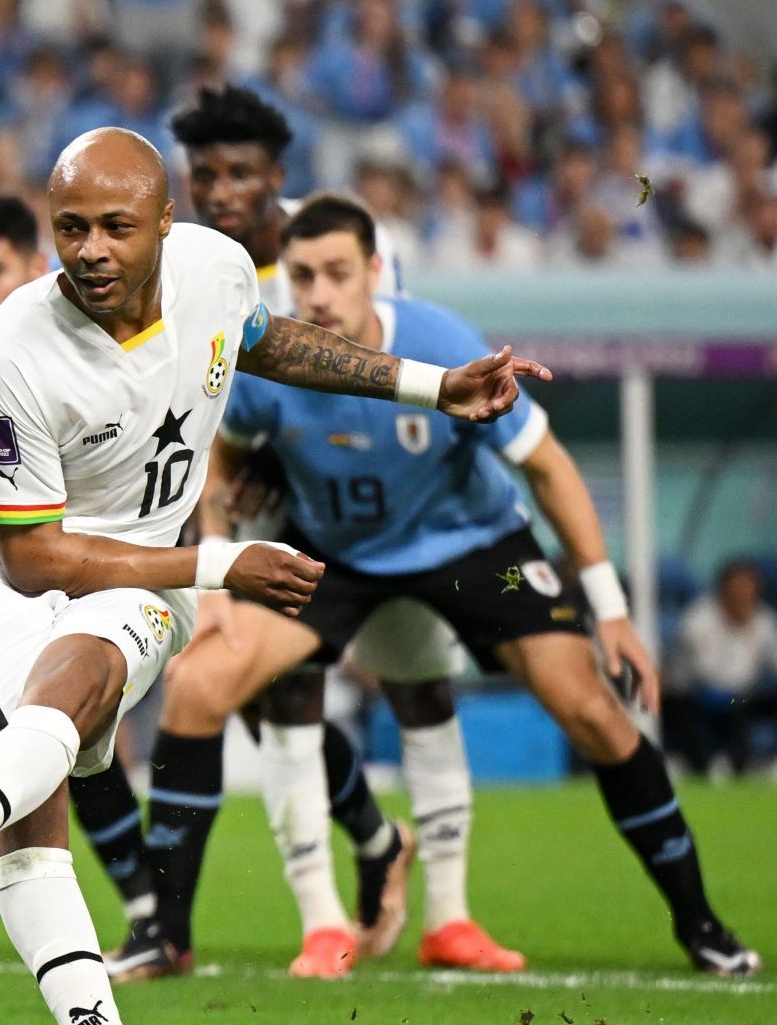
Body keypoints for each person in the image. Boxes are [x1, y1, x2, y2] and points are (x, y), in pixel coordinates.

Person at [0, 127, 537, 1025]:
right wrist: (220, 564)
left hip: (144, 571)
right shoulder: (6, 355)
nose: (91, 248)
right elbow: (36, 561)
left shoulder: (213, 267)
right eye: (69, 227)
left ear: (165, 223)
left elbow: (271, 342)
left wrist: (435, 386)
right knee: (34, 816)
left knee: (66, 709)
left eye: (117, 225)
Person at [206, 194, 760, 979]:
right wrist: (217, 575)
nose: (319, 294)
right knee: (204, 683)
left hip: (475, 551)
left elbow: (546, 463)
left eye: (336, 272)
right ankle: (171, 925)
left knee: (592, 709)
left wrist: (611, 611)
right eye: (302, 277)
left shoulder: (440, 340)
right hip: (339, 554)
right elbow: (222, 456)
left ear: (374, 270)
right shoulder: (272, 360)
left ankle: (700, 921)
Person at [143, 83, 490, 978]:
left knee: (391, 687)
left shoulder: (324, 247)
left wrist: (283, 446)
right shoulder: (179, 260)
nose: (222, 193)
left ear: (277, 176)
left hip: (351, 497)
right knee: (261, 696)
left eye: (240, 174)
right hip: (240, 495)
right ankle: (361, 861)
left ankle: (405, 875)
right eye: (205, 175)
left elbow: (372, 360)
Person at [0, 190, 174, 973]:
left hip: (115, 557)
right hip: (21, 562)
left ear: (37, 261)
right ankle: (146, 908)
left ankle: (366, 859)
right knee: (52, 731)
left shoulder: (122, 327)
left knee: (81, 724)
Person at [667, 560, 777, 777]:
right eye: (737, 591)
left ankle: (762, 761)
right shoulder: (699, 619)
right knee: (725, 706)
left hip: (743, 698)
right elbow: (705, 673)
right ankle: (709, 763)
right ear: (723, 591)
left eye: (749, 591)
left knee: (752, 703)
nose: (743, 597)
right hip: (694, 695)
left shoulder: (764, 621)